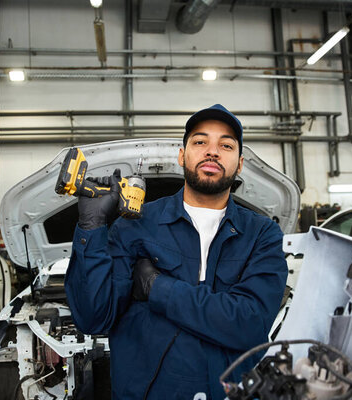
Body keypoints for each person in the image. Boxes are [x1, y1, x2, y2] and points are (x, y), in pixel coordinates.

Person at [65, 104, 288, 400]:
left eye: (226, 145)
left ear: (240, 163)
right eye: (200, 142)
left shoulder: (262, 234)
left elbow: (249, 324)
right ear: (182, 155)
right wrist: (91, 228)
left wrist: (157, 287)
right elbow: (94, 319)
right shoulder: (135, 226)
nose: (212, 151)